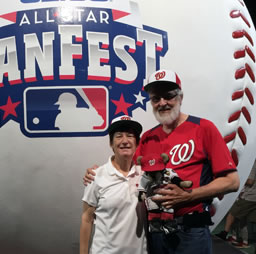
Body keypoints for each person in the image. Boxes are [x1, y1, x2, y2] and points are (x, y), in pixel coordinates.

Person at [83, 69, 240, 254]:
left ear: (180, 97)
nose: (162, 103)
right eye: (156, 98)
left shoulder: (203, 128)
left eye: (168, 96)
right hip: (156, 231)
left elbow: (232, 182)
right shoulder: (148, 137)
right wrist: (97, 172)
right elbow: (125, 167)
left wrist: (190, 195)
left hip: (191, 229)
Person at [79, 115, 148, 254]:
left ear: (137, 142)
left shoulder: (146, 175)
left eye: (130, 136)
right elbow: (87, 219)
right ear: (111, 143)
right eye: (118, 136)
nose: (124, 141)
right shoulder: (96, 176)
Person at [215, 160, 256, 248]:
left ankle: (227, 234)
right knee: (241, 219)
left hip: (249, 196)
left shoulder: (253, 163)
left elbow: (250, 181)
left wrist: (238, 178)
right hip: (250, 195)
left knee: (233, 215)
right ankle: (237, 239)